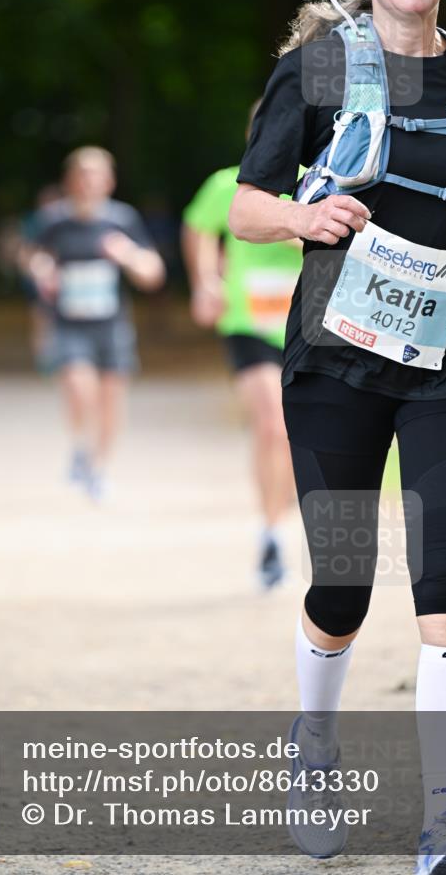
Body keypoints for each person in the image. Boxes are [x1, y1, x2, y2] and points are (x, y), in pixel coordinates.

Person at [229, 0, 446, 871]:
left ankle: (443, 824)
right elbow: (247, 207)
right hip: (338, 359)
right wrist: (305, 216)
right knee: (342, 583)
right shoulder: (317, 71)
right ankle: (313, 745)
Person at [182, 103, 303, 587]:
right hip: (248, 320)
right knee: (273, 425)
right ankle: (271, 534)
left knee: (301, 435)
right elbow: (197, 229)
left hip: (307, 324)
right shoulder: (228, 183)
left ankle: (283, 507)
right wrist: (204, 281)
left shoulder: (318, 182)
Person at [25, 146, 165, 500]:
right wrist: (42, 270)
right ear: (69, 181)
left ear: (109, 181)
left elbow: (153, 273)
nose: (89, 182)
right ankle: (80, 445)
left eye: (96, 175)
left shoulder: (122, 219)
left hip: (111, 323)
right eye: (82, 175)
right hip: (69, 322)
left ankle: (98, 468)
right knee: (78, 386)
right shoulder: (54, 220)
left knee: (111, 399)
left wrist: (128, 255)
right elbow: (31, 254)